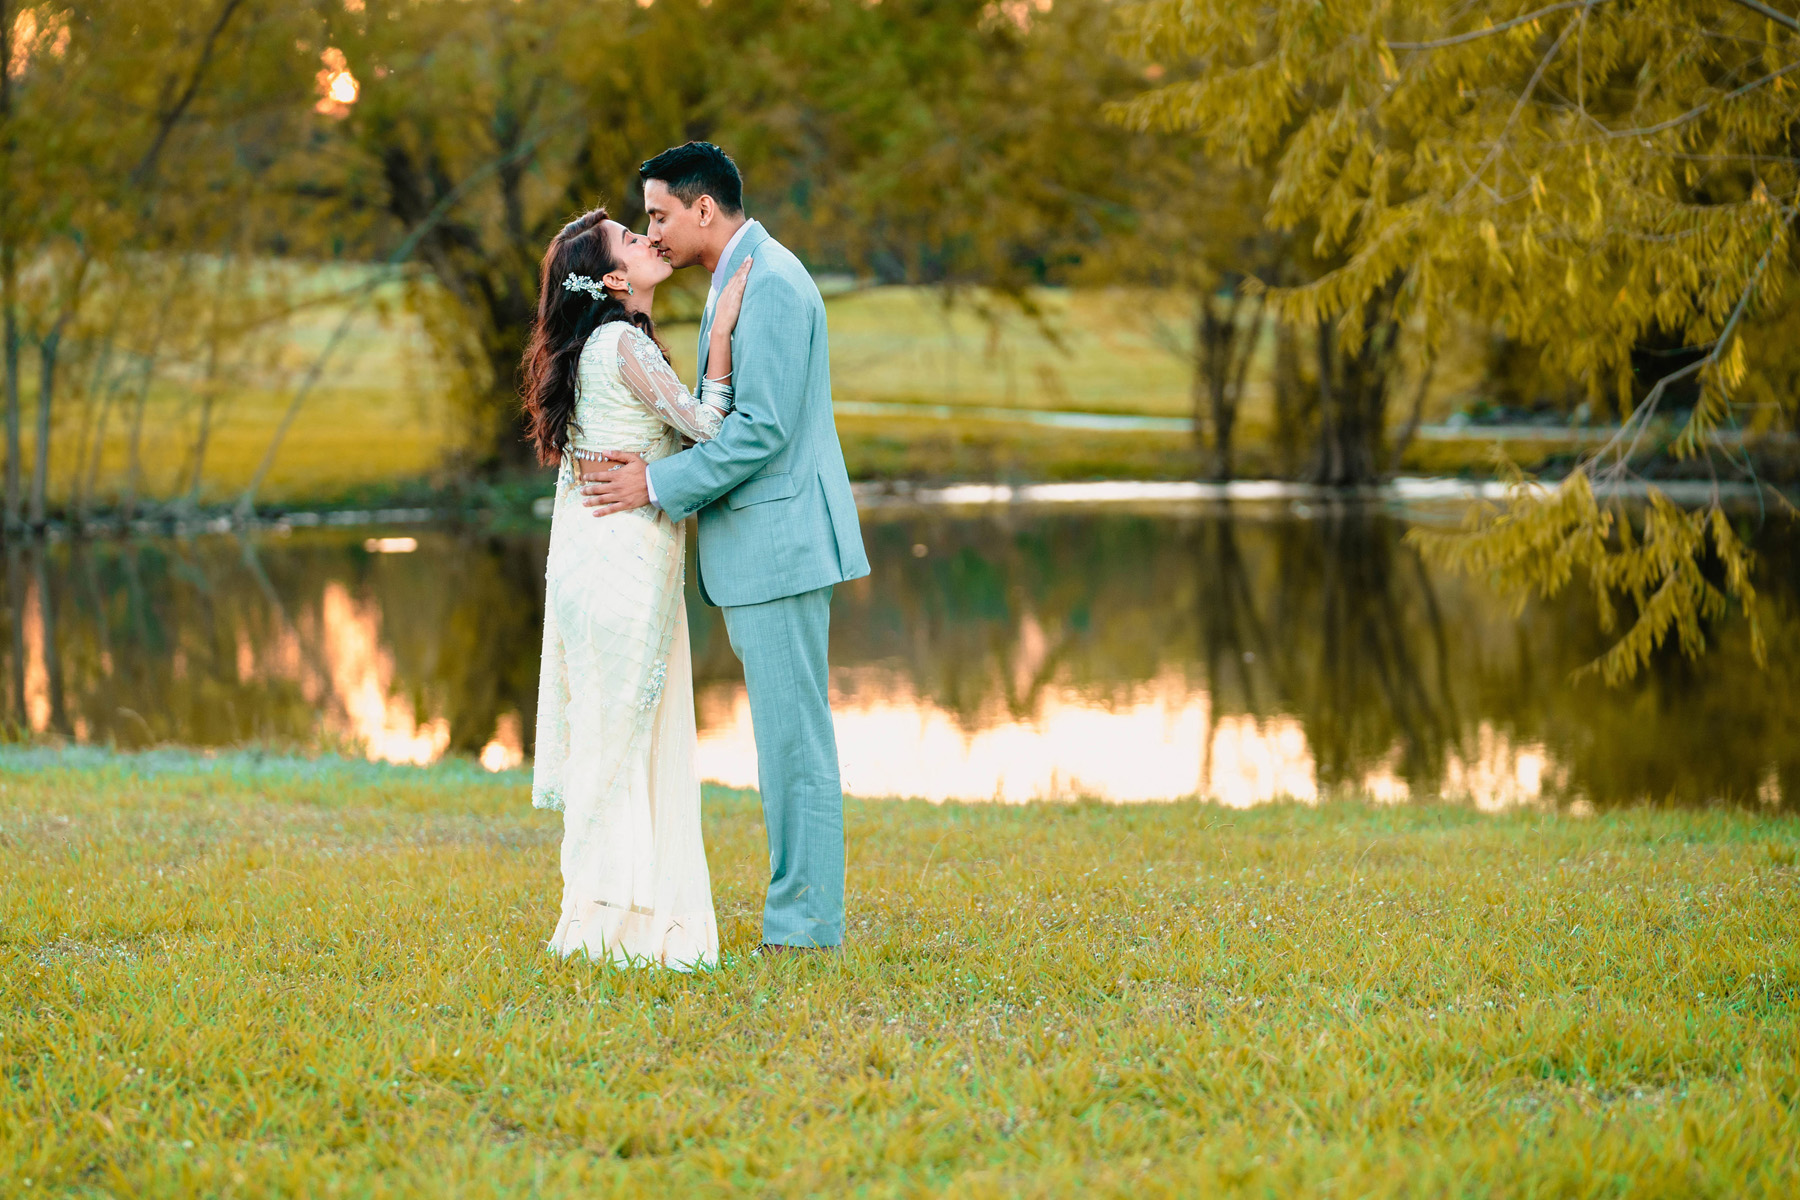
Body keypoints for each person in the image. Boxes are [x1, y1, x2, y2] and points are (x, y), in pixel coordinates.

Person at [578, 142, 870, 954]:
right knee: (786, 740)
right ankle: (799, 919)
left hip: (780, 543)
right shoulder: (740, 278)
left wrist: (658, 488)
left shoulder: (770, 283)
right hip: (764, 548)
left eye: (660, 215)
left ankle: (804, 928)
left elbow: (763, 431)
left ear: (704, 209)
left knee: (793, 745)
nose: (654, 232)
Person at [521, 205, 753, 970]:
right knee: (628, 734)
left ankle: (606, 920)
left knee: (610, 731)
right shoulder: (621, 342)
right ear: (615, 278)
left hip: (597, 560)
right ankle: (623, 929)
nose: (649, 238)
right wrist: (720, 343)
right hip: (624, 560)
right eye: (630, 236)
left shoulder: (605, 342)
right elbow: (709, 429)